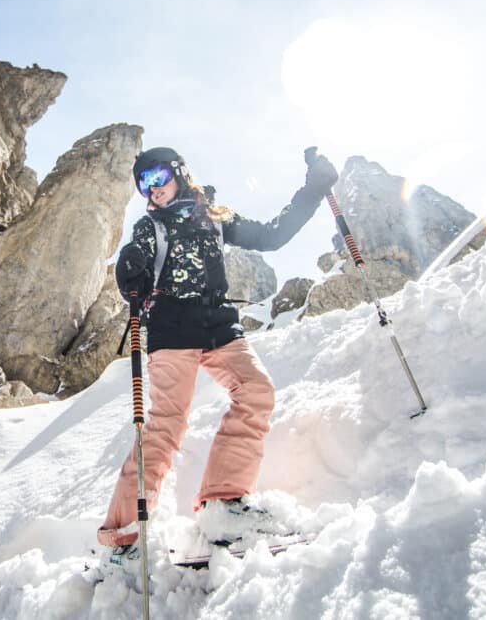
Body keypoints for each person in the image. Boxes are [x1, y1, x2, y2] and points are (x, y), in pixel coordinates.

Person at [97, 145, 339, 567]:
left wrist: (312, 191)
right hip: (173, 333)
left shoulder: (214, 218)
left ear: (179, 172)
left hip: (219, 329)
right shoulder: (149, 228)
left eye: (156, 176)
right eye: (142, 184)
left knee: (256, 391)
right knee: (166, 428)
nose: (150, 189)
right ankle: (122, 541)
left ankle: (224, 506)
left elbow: (272, 235)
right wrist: (129, 271)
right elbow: (131, 271)